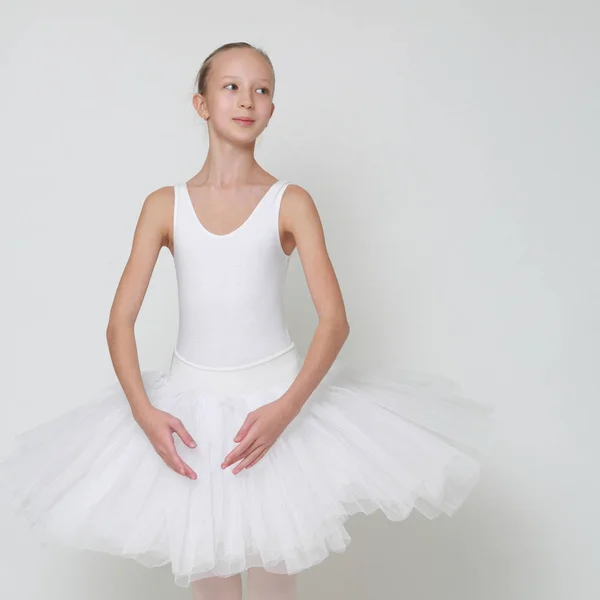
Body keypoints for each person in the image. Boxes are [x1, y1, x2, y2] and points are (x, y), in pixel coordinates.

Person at [0, 42, 497, 598]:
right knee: (210, 583)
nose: (247, 100)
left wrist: (286, 410)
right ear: (202, 104)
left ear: (272, 109)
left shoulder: (291, 202)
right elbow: (120, 322)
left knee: (272, 585)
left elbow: (334, 321)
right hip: (192, 414)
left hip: (274, 413)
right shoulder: (164, 205)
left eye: (262, 89)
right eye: (231, 87)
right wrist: (144, 412)